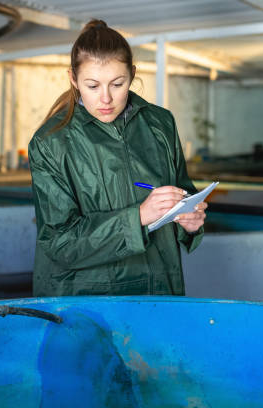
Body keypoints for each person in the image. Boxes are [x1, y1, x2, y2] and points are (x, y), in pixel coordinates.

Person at [29, 19, 207, 297]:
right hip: (88, 298)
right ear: (73, 79)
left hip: (159, 288)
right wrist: (138, 216)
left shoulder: (160, 124)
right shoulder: (51, 142)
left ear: (133, 74)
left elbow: (183, 190)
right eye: (92, 86)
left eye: (117, 84)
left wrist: (189, 220)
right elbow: (59, 241)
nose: (106, 98)